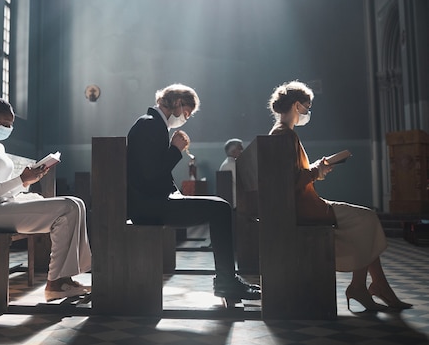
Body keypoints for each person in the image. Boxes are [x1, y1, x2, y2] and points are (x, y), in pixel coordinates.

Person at [267, 80, 412, 311]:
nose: (307, 112)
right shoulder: (285, 135)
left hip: (300, 204)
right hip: (305, 207)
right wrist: (317, 171)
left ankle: (368, 287)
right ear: (296, 105)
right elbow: (291, 182)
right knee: (367, 218)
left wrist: (317, 168)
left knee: (365, 221)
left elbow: (292, 175)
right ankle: (367, 287)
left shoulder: (280, 133)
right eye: (307, 106)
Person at [126, 83, 260, 300]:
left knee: (220, 208)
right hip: (148, 206)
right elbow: (150, 174)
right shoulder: (149, 124)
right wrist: (175, 149)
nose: (185, 118)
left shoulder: (153, 125)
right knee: (221, 209)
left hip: (151, 202)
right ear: (178, 103)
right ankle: (226, 282)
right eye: (186, 113)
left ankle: (227, 280)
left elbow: (154, 173)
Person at [0, 92, 92, 302]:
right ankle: (55, 283)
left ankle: (65, 278)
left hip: (3, 206)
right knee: (68, 206)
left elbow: (1, 188)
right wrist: (19, 180)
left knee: (77, 203)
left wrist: (26, 182)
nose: (9, 128)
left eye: (11, 124)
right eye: (6, 123)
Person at [219, 138, 244, 208]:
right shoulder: (231, 164)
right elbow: (241, 182)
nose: (242, 151)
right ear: (233, 151)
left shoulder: (228, 163)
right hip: (235, 203)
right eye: (240, 148)